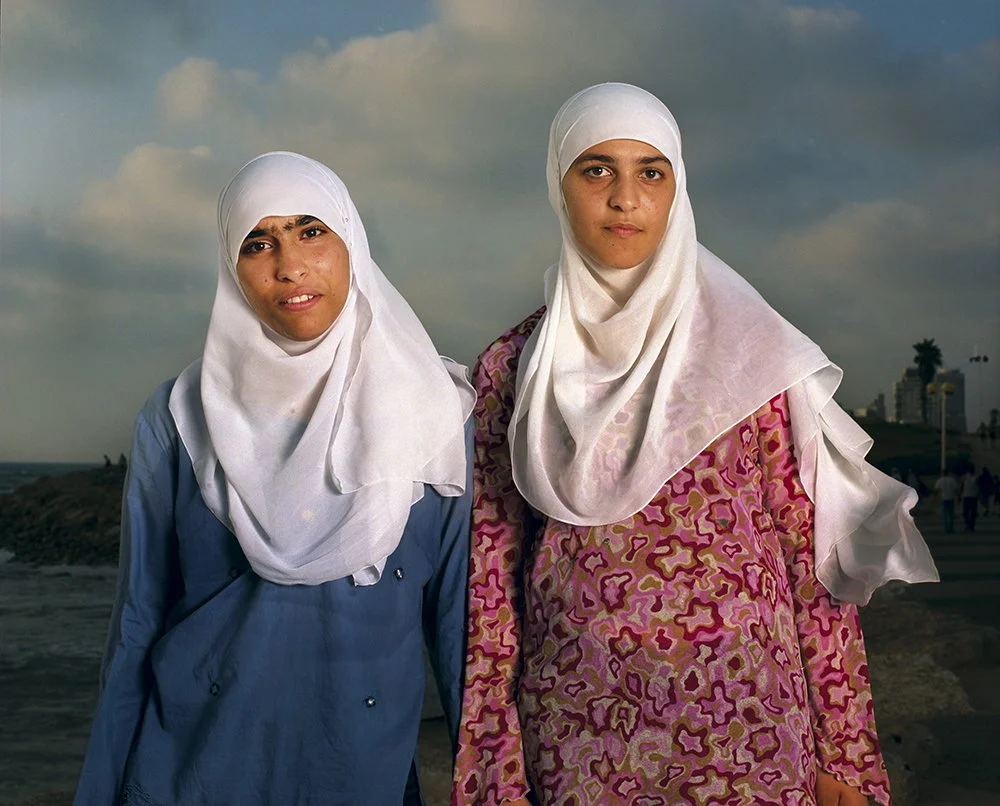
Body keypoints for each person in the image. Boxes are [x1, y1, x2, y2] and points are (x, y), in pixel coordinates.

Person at [452, 83, 938, 806]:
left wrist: (847, 755)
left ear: (678, 186)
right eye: (596, 170)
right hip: (578, 741)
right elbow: (492, 589)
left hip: (755, 739)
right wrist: (494, 776)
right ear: (560, 187)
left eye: (651, 171)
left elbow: (814, 568)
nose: (625, 198)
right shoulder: (516, 366)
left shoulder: (750, 352)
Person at [74, 152, 474, 804]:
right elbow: (136, 627)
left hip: (360, 776)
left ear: (352, 240)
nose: (289, 265)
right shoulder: (180, 418)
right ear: (232, 269)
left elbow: (459, 639)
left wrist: (486, 783)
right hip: (189, 774)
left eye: (311, 230)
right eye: (258, 243)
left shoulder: (435, 416)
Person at [962, 465, 979, 532]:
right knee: (971, 512)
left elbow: (962, 486)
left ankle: (969, 524)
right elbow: (978, 487)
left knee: (967, 512)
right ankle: (970, 524)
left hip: (967, 496)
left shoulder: (965, 477)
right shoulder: (975, 478)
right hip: (972, 497)